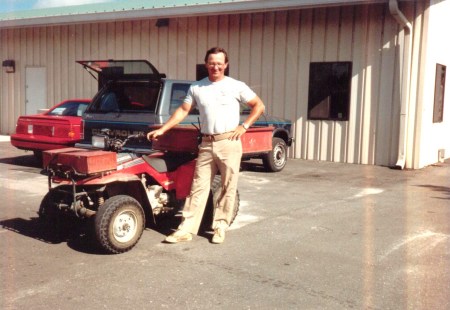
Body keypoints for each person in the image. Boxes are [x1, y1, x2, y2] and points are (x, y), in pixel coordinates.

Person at [147, 47, 265, 244]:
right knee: (198, 187)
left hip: (229, 142)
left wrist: (244, 126)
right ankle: (186, 229)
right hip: (207, 143)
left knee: (228, 185)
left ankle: (220, 226)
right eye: (212, 63)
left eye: (219, 63)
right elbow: (183, 110)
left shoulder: (236, 86)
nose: (215, 67)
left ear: (225, 65)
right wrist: (163, 129)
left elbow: (259, 106)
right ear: (206, 64)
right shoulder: (197, 87)